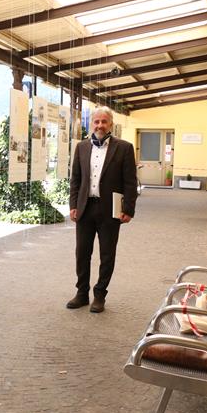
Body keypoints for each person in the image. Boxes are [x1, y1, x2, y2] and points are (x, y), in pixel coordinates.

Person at [67, 106, 137, 313]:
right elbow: (75, 180)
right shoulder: (81, 147)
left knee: (107, 255)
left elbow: (130, 182)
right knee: (82, 253)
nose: (99, 125)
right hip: (85, 208)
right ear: (92, 124)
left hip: (110, 210)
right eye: (96, 121)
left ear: (110, 124)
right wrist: (73, 206)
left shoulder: (124, 148)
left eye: (103, 122)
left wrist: (129, 209)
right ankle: (81, 294)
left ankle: (100, 295)